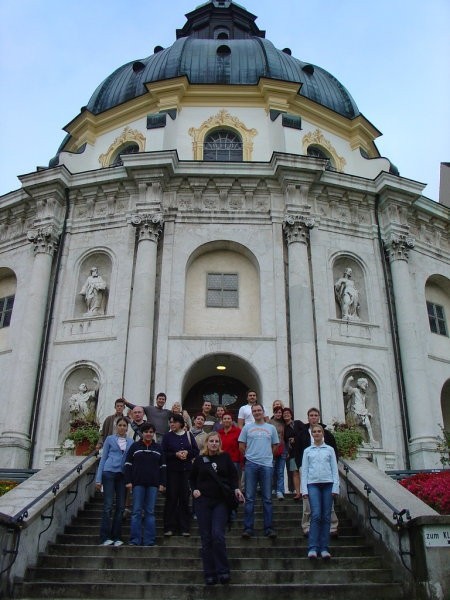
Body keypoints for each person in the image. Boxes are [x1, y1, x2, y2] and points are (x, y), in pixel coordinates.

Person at [190, 432, 244, 585]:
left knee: (218, 535)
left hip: (220, 501)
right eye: (211, 441)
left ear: (219, 443)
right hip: (203, 502)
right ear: (206, 443)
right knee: (206, 538)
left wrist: (236, 489)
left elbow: (233, 477)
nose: (214, 444)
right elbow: (192, 478)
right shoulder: (200, 460)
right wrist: (194, 490)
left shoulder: (225, 458)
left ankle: (223, 570)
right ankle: (210, 572)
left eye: (216, 441)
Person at [295, 407, 339, 536]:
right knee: (307, 501)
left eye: (316, 415)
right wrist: (300, 467)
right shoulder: (302, 434)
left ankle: (333, 525)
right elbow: (297, 451)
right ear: (308, 417)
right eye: (311, 415)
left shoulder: (327, 434)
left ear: (319, 417)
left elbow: (334, 452)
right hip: (307, 470)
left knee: (328, 502)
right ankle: (307, 525)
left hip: (326, 473)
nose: (313, 417)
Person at [238, 403, 279, 538]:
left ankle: (269, 528)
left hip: (266, 465)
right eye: (254, 411)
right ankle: (248, 528)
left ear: (263, 411)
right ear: (252, 413)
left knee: (267, 498)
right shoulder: (247, 428)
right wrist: (249, 456)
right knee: (249, 498)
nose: (256, 412)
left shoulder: (271, 428)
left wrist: (268, 456)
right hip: (251, 465)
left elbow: (275, 445)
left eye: (259, 410)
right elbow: (241, 445)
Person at [124, 422, 166, 546]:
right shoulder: (135, 446)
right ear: (142, 433)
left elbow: (163, 466)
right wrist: (128, 481)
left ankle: (149, 540)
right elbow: (128, 464)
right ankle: (135, 540)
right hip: (138, 484)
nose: (149, 434)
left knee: (150, 512)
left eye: (151, 432)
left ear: (153, 434)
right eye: (146, 432)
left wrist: (162, 483)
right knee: (136, 511)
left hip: (153, 484)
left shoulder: (158, 448)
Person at [301, 424, 339, 560]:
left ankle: (324, 548)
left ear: (323, 434)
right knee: (316, 514)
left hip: (328, 483)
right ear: (312, 434)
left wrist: (336, 487)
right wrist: (303, 490)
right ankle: (312, 547)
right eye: (314, 432)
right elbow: (304, 471)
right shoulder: (307, 451)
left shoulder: (329, 450)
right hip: (313, 484)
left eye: (319, 431)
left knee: (326, 516)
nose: (316, 433)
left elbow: (335, 470)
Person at [95, 417, 133, 546]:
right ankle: (105, 536)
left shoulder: (131, 441)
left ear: (127, 428)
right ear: (116, 426)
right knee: (108, 506)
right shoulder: (110, 439)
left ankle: (117, 536)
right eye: (120, 425)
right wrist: (98, 479)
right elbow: (103, 458)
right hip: (109, 472)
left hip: (122, 475)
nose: (122, 427)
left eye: (124, 425)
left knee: (121, 506)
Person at [162, 413, 199, 536]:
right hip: (172, 472)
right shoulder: (167, 436)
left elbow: (196, 451)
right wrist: (175, 454)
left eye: (174, 422)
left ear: (181, 423)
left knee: (184, 498)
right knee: (171, 498)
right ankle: (169, 527)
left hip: (186, 471)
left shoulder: (189, 435)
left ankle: (184, 527)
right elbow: (163, 453)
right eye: (170, 422)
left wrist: (187, 453)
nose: (172, 424)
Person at [343, 376, 376, 444]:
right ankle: (361, 441)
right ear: (360, 384)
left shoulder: (364, 394)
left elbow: (364, 404)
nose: (366, 386)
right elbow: (345, 391)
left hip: (363, 412)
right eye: (365, 384)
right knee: (356, 427)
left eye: (366, 384)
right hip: (354, 411)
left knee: (368, 425)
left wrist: (368, 412)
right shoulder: (355, 390)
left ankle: (371, 439)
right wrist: (348, 380)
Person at [282, 407, 303, 500]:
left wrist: (296, 439)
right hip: (292, 452)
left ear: (291, 414)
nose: (286, 414)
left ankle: (305, 491)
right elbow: (284, 441)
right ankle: (298, 493)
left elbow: (305, 433)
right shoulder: (284, 428)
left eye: (288, 413)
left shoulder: (298, 423)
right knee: (295, 473)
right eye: (284, 413)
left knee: (304, 472)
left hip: (302, 451)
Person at [218, 411, 242, 481]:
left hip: (234, 461)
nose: (226, 420)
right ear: (222, 421)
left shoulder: (238, 432)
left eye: (229, 418)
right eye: (224, 419)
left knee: (235, 481)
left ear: (232, 420)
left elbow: (241, 447)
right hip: (221, 461)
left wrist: (241, 462)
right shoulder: (219, 433)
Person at [270, 406, 286, 500]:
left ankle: (280, 491)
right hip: (272, 448)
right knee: (271, 470)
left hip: (282, 448)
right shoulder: (270, 423)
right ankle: (272, 488)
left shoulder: (284, 423)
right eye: (277, 412)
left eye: (280, 412)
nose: (278, 414)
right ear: (274, 413)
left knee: (280, 471)